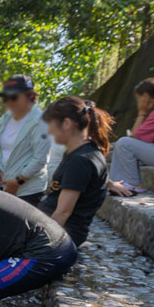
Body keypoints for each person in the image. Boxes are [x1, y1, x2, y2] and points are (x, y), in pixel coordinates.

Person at [39, 96, 113, 246]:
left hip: (63, 235)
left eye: (50, 124)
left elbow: (63, 213)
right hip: (55, 227)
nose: (49, 131)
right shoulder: (79, 152)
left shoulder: (81, 160)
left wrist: (36, 243)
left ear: (66, 124)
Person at [0, 75, 52, 206]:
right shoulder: (5, 119)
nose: (9, 102)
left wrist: (18, 181)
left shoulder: (40, 121)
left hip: (27, 190)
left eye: (14, 97)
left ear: (29, 96)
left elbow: (40, 158)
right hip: (3, 186)